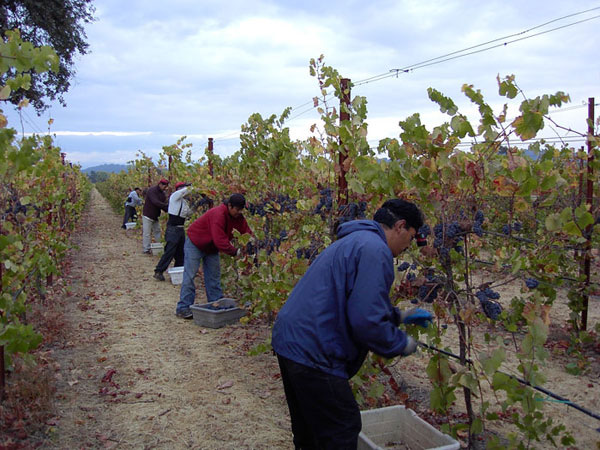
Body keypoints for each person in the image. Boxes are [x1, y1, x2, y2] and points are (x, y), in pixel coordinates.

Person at [271, 198, 434, 449]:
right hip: (314, 349)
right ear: (400, 226)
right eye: (411, 238)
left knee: (309, 431)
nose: (408, 246)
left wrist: (399, 316)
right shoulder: (376, 250)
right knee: (342, 428)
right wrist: (402, 343)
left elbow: (353, 301)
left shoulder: (355, 241)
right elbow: (365, 320)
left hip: (292, 340)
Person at [175, 193, 253, 319]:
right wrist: (235, 252)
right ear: (229, 206)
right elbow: (219, 240)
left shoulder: (238, 217)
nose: (239, 212)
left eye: (241, 210)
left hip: (211, 247)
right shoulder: (218, 214)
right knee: (190, 275)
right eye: (237, 209)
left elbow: (246, 232)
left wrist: (253, 243)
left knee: (214, 277)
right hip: (195, 242)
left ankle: (216, 305)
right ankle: (183, 308)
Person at [153, 181, 192, 281]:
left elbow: (189, 213)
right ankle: (159, 271)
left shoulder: (184, 202)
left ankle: (177, 272)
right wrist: (194, 187)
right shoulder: (174, 196)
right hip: (173, 229)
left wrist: (198, 204)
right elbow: (185, 191)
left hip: (180, 228)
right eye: (183, 188)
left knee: (180, 253)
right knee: (170, 251)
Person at [142, 178, 169, 254]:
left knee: (157, 231)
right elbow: (155, 202)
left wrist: (168, 210)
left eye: (166, 186)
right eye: (164, 185)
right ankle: (146, 249)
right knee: (147, 233)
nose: (165, 187)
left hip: (155, 216)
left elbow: (163, 204)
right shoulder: (152, 191)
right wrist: (166, 207)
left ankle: (159, 247)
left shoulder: (162, 194)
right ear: (160, 184)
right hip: (148, 215)